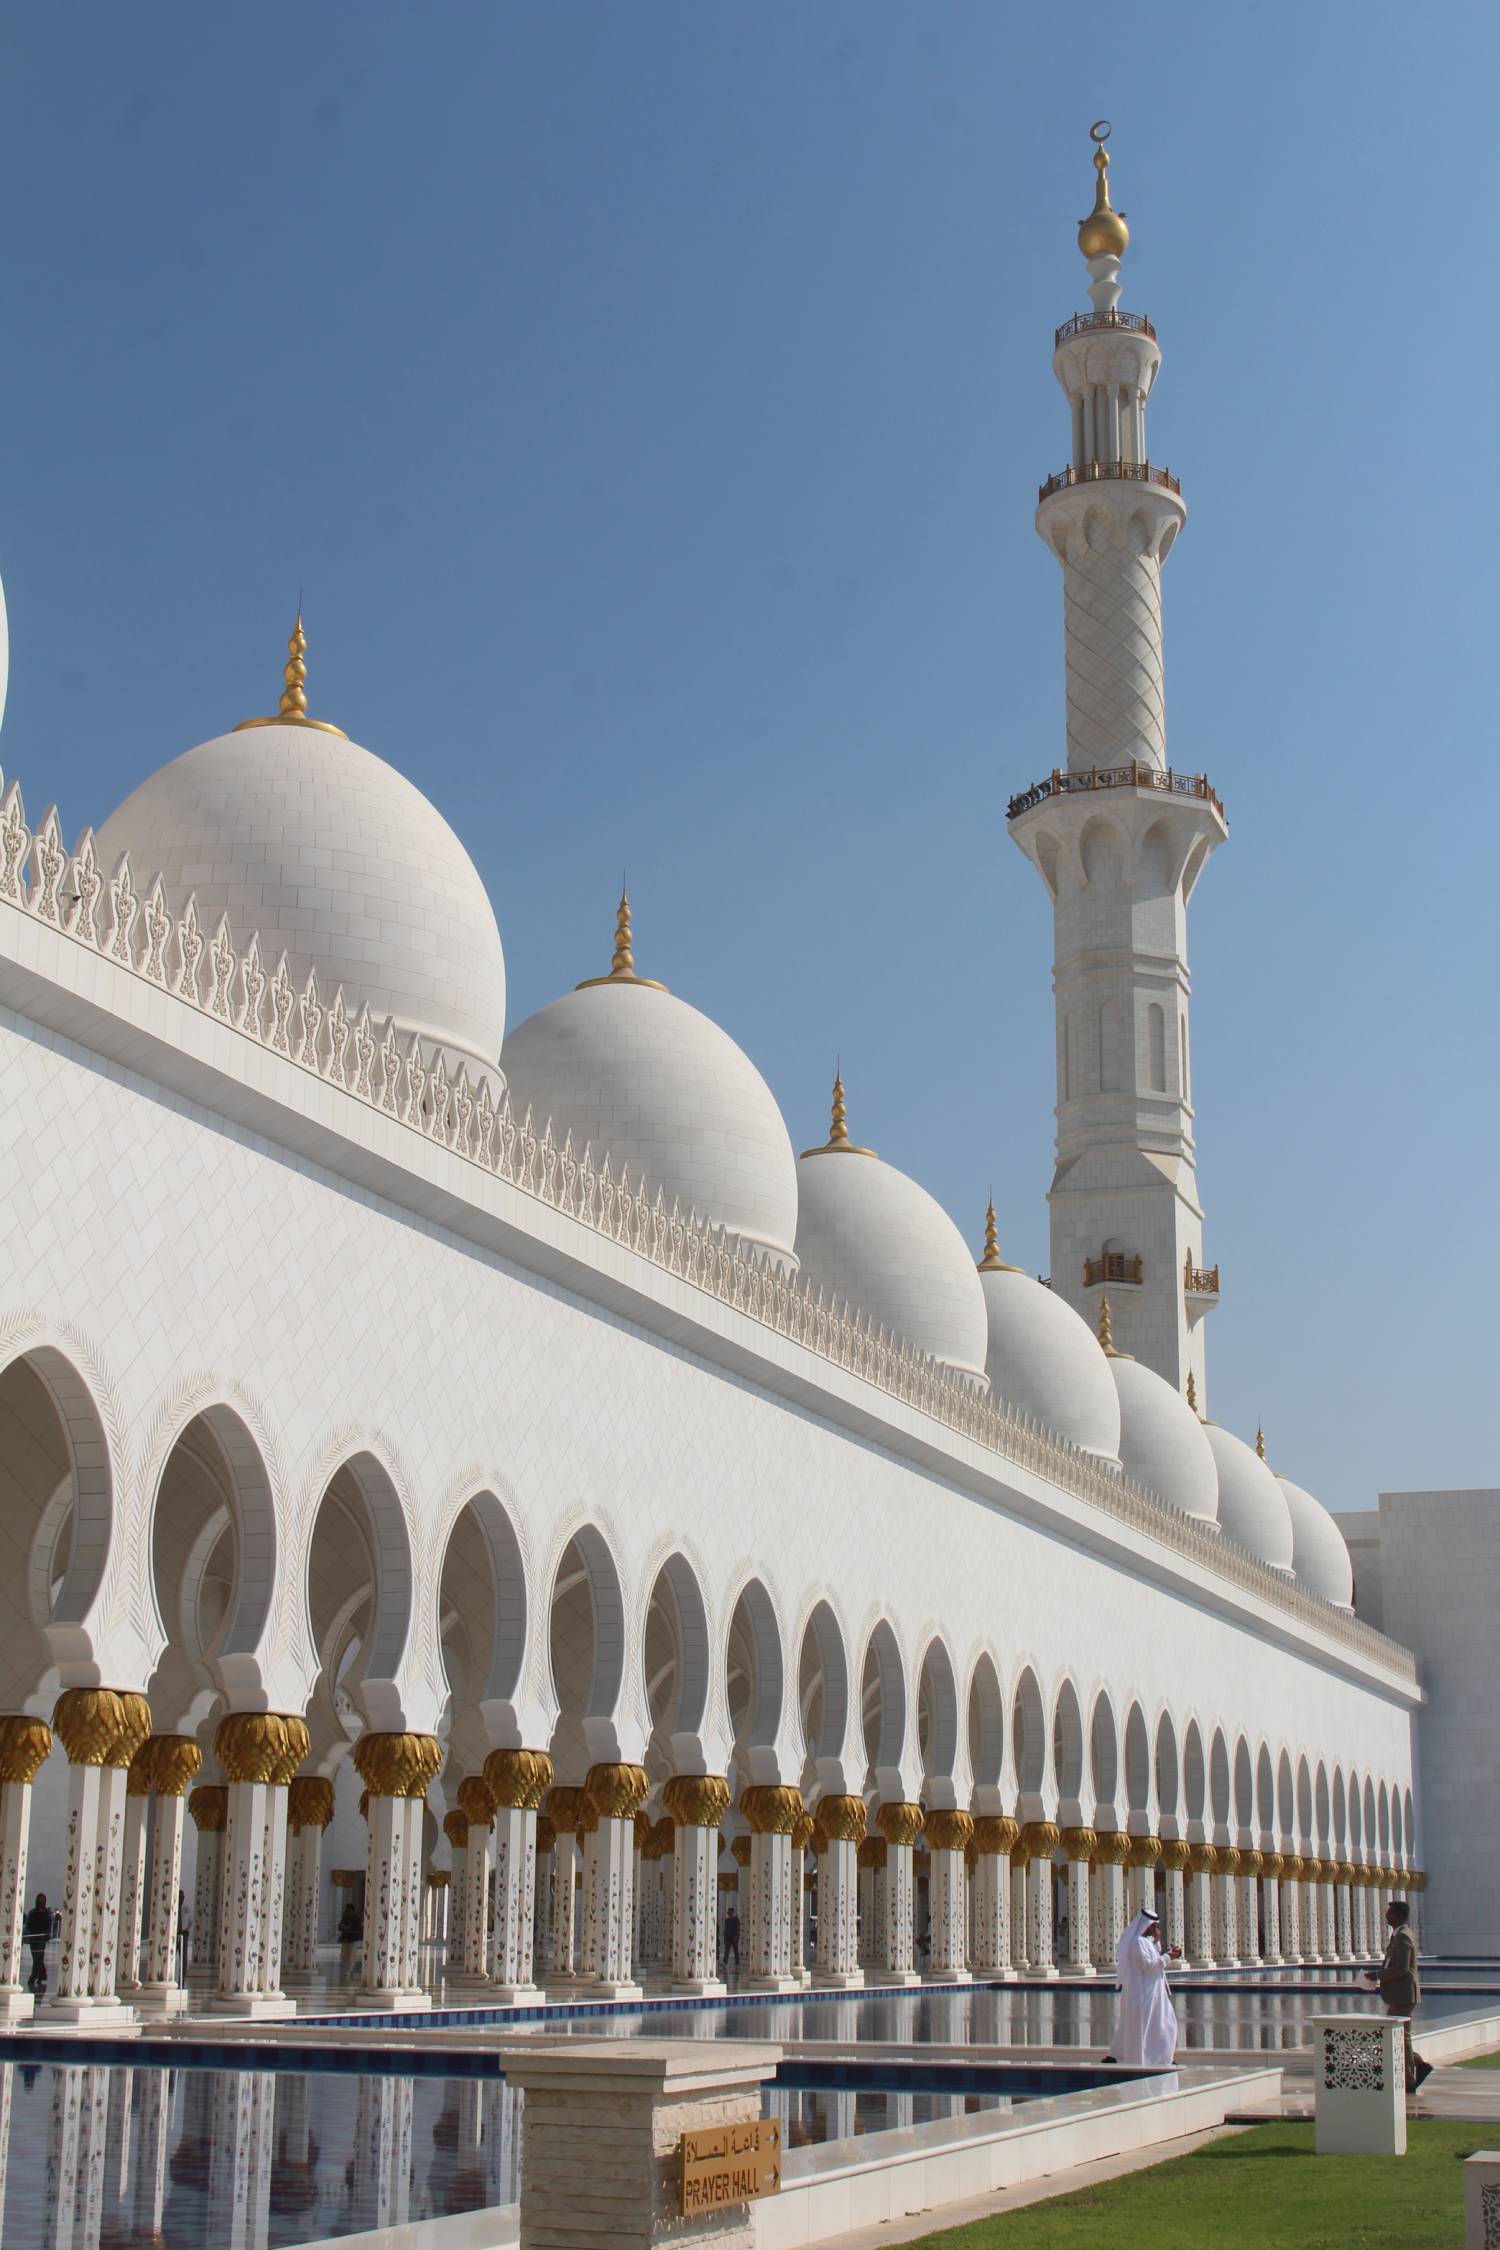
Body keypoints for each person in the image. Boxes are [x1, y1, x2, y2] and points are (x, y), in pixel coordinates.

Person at [1362, 1900, 1432, 2095]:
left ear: (1400, 1915)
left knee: (1401, 2036)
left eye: (1390, 1912)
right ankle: (1419, 2064)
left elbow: (1401, 1968)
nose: (1387, 1915)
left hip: (1403, 1994)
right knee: (1400, 2035)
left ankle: (1410, 2078)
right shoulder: (1399, 1935)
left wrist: (1378, 1975)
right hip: (1399, 1993)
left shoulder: (1402, 1937)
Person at [1109, 1907, 1181, 2068]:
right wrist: (1168, 1957)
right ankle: (1142, 2058)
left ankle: (1162, 2057)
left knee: (1165, 2023)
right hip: (1142, 1992)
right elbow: (1147, 1965)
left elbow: (1155, 1960)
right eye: (1153, 1925)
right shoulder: (1136, 1942)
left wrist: (1167, 1953)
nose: (1155, 1928)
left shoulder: (1147, 1942)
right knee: (1144, 2026)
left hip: (1154, 1992)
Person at [22, 1892, 50, 1995]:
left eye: (42, 1900)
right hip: (34, 1938)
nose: (41, 1902)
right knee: (37, 1958)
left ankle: (33, 1977)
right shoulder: (32, 1913)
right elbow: (29, 1925)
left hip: (41, 1939)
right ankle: (42, 1975)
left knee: (38, 1958)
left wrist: (47, 1935)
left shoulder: (47, 1913)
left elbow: (48, 1925)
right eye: (39, 1900)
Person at [176, 1888, 191, 1982]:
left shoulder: (186, 1909)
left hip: (183, 1934)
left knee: (183, 1958)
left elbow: (191, 1922)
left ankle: (182, 1980)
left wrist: (186, 1930)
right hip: (174, 1935)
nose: (181, 1898)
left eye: (182, 1897)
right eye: (179, 1897)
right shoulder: (173, 1908)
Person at [723, 1905, 740, 1972]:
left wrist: (737, 1937)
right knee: (727, 1951)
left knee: (736, 1951)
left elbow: (738, 1929)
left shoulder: (736, 1920)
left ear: (733, 1913)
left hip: (734, 1938)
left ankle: (737, 1962)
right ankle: (725, 1962)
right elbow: (726, 1929)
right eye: (728, 1913)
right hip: (728, 1938)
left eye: (730, 1913)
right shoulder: (727, 1920)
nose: (729, 1914)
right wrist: (725, 1938)